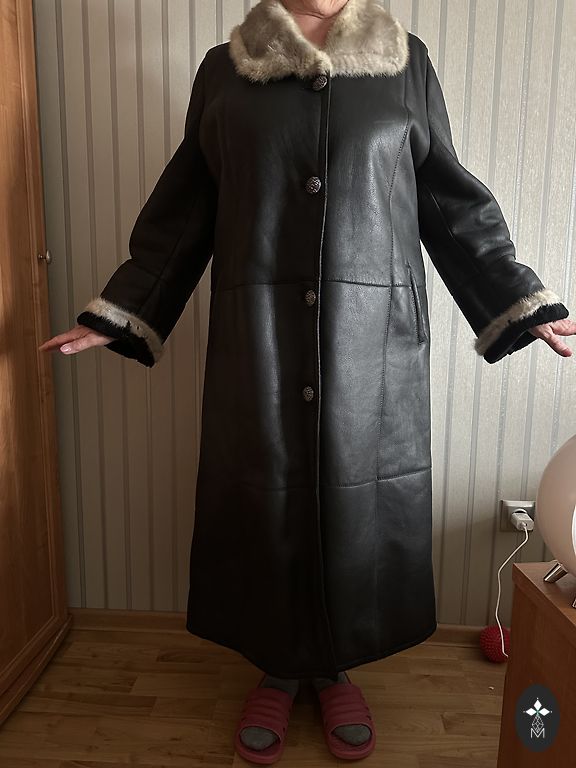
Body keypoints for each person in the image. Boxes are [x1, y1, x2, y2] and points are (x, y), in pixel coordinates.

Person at [39, 0, 575, 763]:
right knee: (265, 498)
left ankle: (332, 668)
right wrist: (124, 309)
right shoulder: (226, 71)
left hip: (372, 344)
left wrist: (520, 299)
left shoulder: (405, 63)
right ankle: (278, 666)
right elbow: (187, 204)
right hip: (259, 338)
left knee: (357, 507)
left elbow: (449, 201)